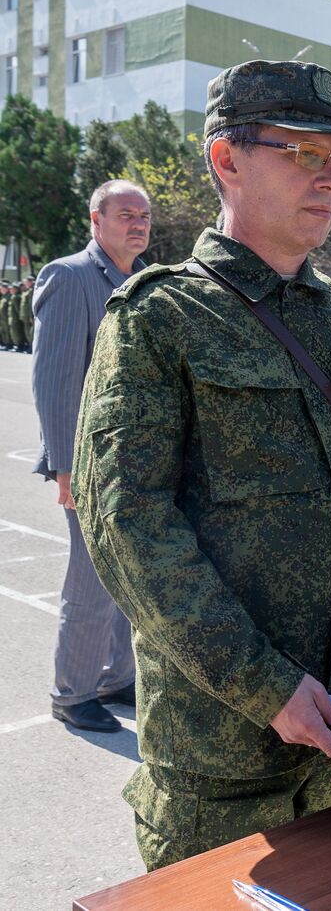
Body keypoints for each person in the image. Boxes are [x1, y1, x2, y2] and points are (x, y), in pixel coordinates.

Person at [72, 60, 331, 870]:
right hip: (224, 768)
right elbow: (127, 524)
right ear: (226, 160)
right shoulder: (160, 317)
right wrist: (262, 684)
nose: (329, 179)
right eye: (301, 154)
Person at [32, 179, 150, 733]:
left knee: (127, 579)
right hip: (88, 463)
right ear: (96, 219)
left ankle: (113, 677)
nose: (138, 224)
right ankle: (72, 692)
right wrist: (64, 467)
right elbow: (54, 382)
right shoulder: (71, 276)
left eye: (144, 217)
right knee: (91, 581)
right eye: (126, 214)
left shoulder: (144, 283)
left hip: (135, 463)